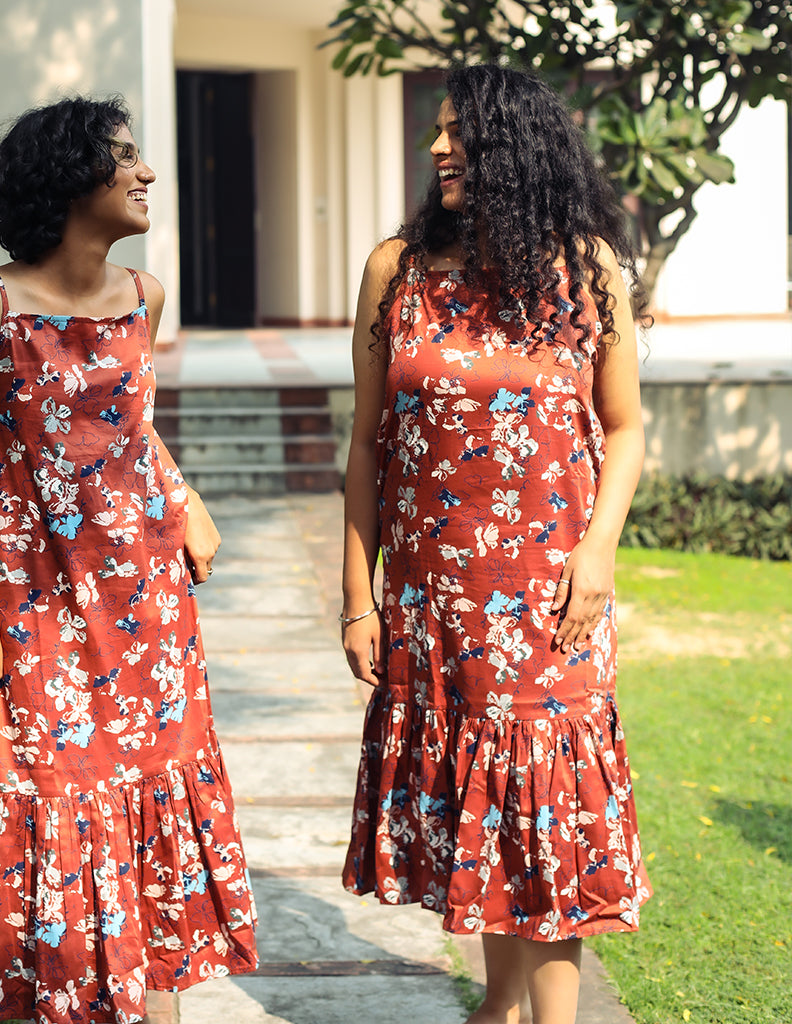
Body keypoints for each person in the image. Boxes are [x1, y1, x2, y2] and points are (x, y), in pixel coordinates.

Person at [340, 64, 652, 1024]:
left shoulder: (588, 270)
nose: (438, 149)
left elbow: (627, 427)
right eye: (436, 133)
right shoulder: (396, 271)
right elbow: (367, 442)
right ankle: (499, 1000)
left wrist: (598, 551)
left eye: (459, 134)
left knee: (544, 806)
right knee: (485, 796)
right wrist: (360, 594)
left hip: (552, 591)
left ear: (517, 150)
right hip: (437, 594)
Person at [0, 96, 257, 1024]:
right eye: (125, 158)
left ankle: (153, 1004)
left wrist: (185, 495)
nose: (148, 172)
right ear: (74, 177)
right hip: (38, 605)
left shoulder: (145, 295)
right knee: (54, 795)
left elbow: (131, 429)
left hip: (149, 601)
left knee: (152, 792)